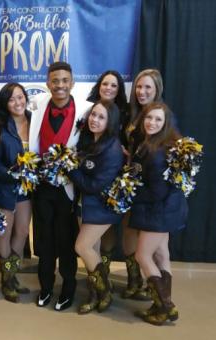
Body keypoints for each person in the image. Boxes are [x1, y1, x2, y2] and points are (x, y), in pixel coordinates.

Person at [29, 61, 93, 311]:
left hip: (68, 188)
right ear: (48, 83)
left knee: (66, 242)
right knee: (44, 241)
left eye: (65, 80)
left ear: (73, 83)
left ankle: (68, 289)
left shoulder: (86, 112)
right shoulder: (37, 107)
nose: (60, 86)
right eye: (55, 80)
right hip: (42, 187)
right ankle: (45, 287)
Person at [129, 102, 187, 325]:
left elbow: (156, 191)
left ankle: (165, 306)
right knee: (162, 254)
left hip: (159, 210)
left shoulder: (158, 152)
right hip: (168, 209)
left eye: (157, 120)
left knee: (142, 256)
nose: (151, 123)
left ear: (165, 124)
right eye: (148, 118)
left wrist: (131, 192)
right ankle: (161, 304)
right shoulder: (154, 143)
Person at [68, 101, 124, 314]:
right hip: (86, 204)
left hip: (102, 207)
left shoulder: (112, 149)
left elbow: (94, 185)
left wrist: (71, 170)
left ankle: (105, 291)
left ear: (110, 122)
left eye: (101, 117)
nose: (94, 120)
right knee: (93, 249)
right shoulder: (88, 140)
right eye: (93, 115)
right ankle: (94, 294)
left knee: (82, 247)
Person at [121, 69, 164, 300]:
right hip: (131, 184)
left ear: (157, 89)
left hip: (151, 189)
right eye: (138, 86)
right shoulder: (133, 114)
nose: (142, 91)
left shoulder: (160, 116)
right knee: (128, 232)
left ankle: (156, 291)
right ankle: (134, 280)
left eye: (147, 87)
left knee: (154, 245)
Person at [0, 83, 32, 303]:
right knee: (5, 233)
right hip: (3, 185)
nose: (18, 102)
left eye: (21, 97)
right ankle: (7, 281)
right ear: (5, 103)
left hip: (26, 187)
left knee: (23, 231)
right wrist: (9, 174)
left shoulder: (34, 119)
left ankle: (12, 274)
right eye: (12, 99)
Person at [86, 70, 129, 274]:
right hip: (91, 176)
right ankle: (97, 277)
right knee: (87, 240)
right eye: (105, 84)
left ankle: (106, 272)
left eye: (114, 85)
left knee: (109, 229)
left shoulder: (126, 112)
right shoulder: (87, 108)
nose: (109, 88)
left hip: (113, 181)